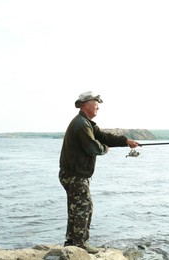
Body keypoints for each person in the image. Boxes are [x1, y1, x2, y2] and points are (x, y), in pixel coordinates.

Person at [59, 91, 139, 254]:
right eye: (96, 104)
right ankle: (80, 244)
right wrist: (104, 149)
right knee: (84, 207)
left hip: (72, 174)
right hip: (75, 175)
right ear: (86, 104)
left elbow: (103, 136)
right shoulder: (82, 125)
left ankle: (71, 242)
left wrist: (125, 142)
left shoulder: (86, 122)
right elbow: (93, 147)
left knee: (76, 208)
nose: (98, 108)